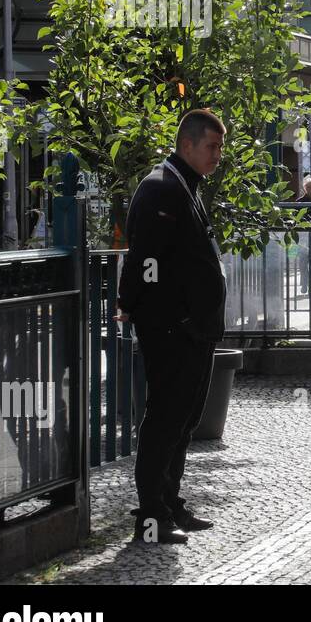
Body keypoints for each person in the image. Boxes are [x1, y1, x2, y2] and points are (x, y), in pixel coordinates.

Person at [117, 109, 228, 544]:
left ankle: (169, 502)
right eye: (211, 147)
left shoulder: (185, 185)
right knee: (165, 420)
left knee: (183, 421)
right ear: (187, 145)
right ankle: (151, 516)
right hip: (173, 330)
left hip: (192, 328)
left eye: (220, 147)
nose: (218, 156)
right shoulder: (163, 188)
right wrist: (172, 319)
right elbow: (146, 262)